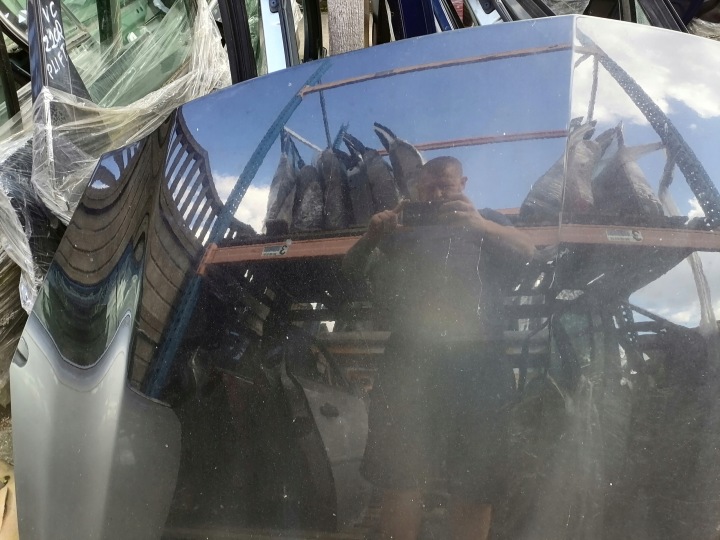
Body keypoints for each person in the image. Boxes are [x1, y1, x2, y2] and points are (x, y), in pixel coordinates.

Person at [342, 156, 535, 540]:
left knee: (478, 481)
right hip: (410, 358)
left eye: (444, 186)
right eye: (427, 188)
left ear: (463, 183)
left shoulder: (487, 218)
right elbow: (350, 270)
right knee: (400, 475)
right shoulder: (402, 226)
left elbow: (530, 250)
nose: (435, 195)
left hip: (480, 358)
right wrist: (372, 236)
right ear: (415, 189)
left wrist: (479, 223)